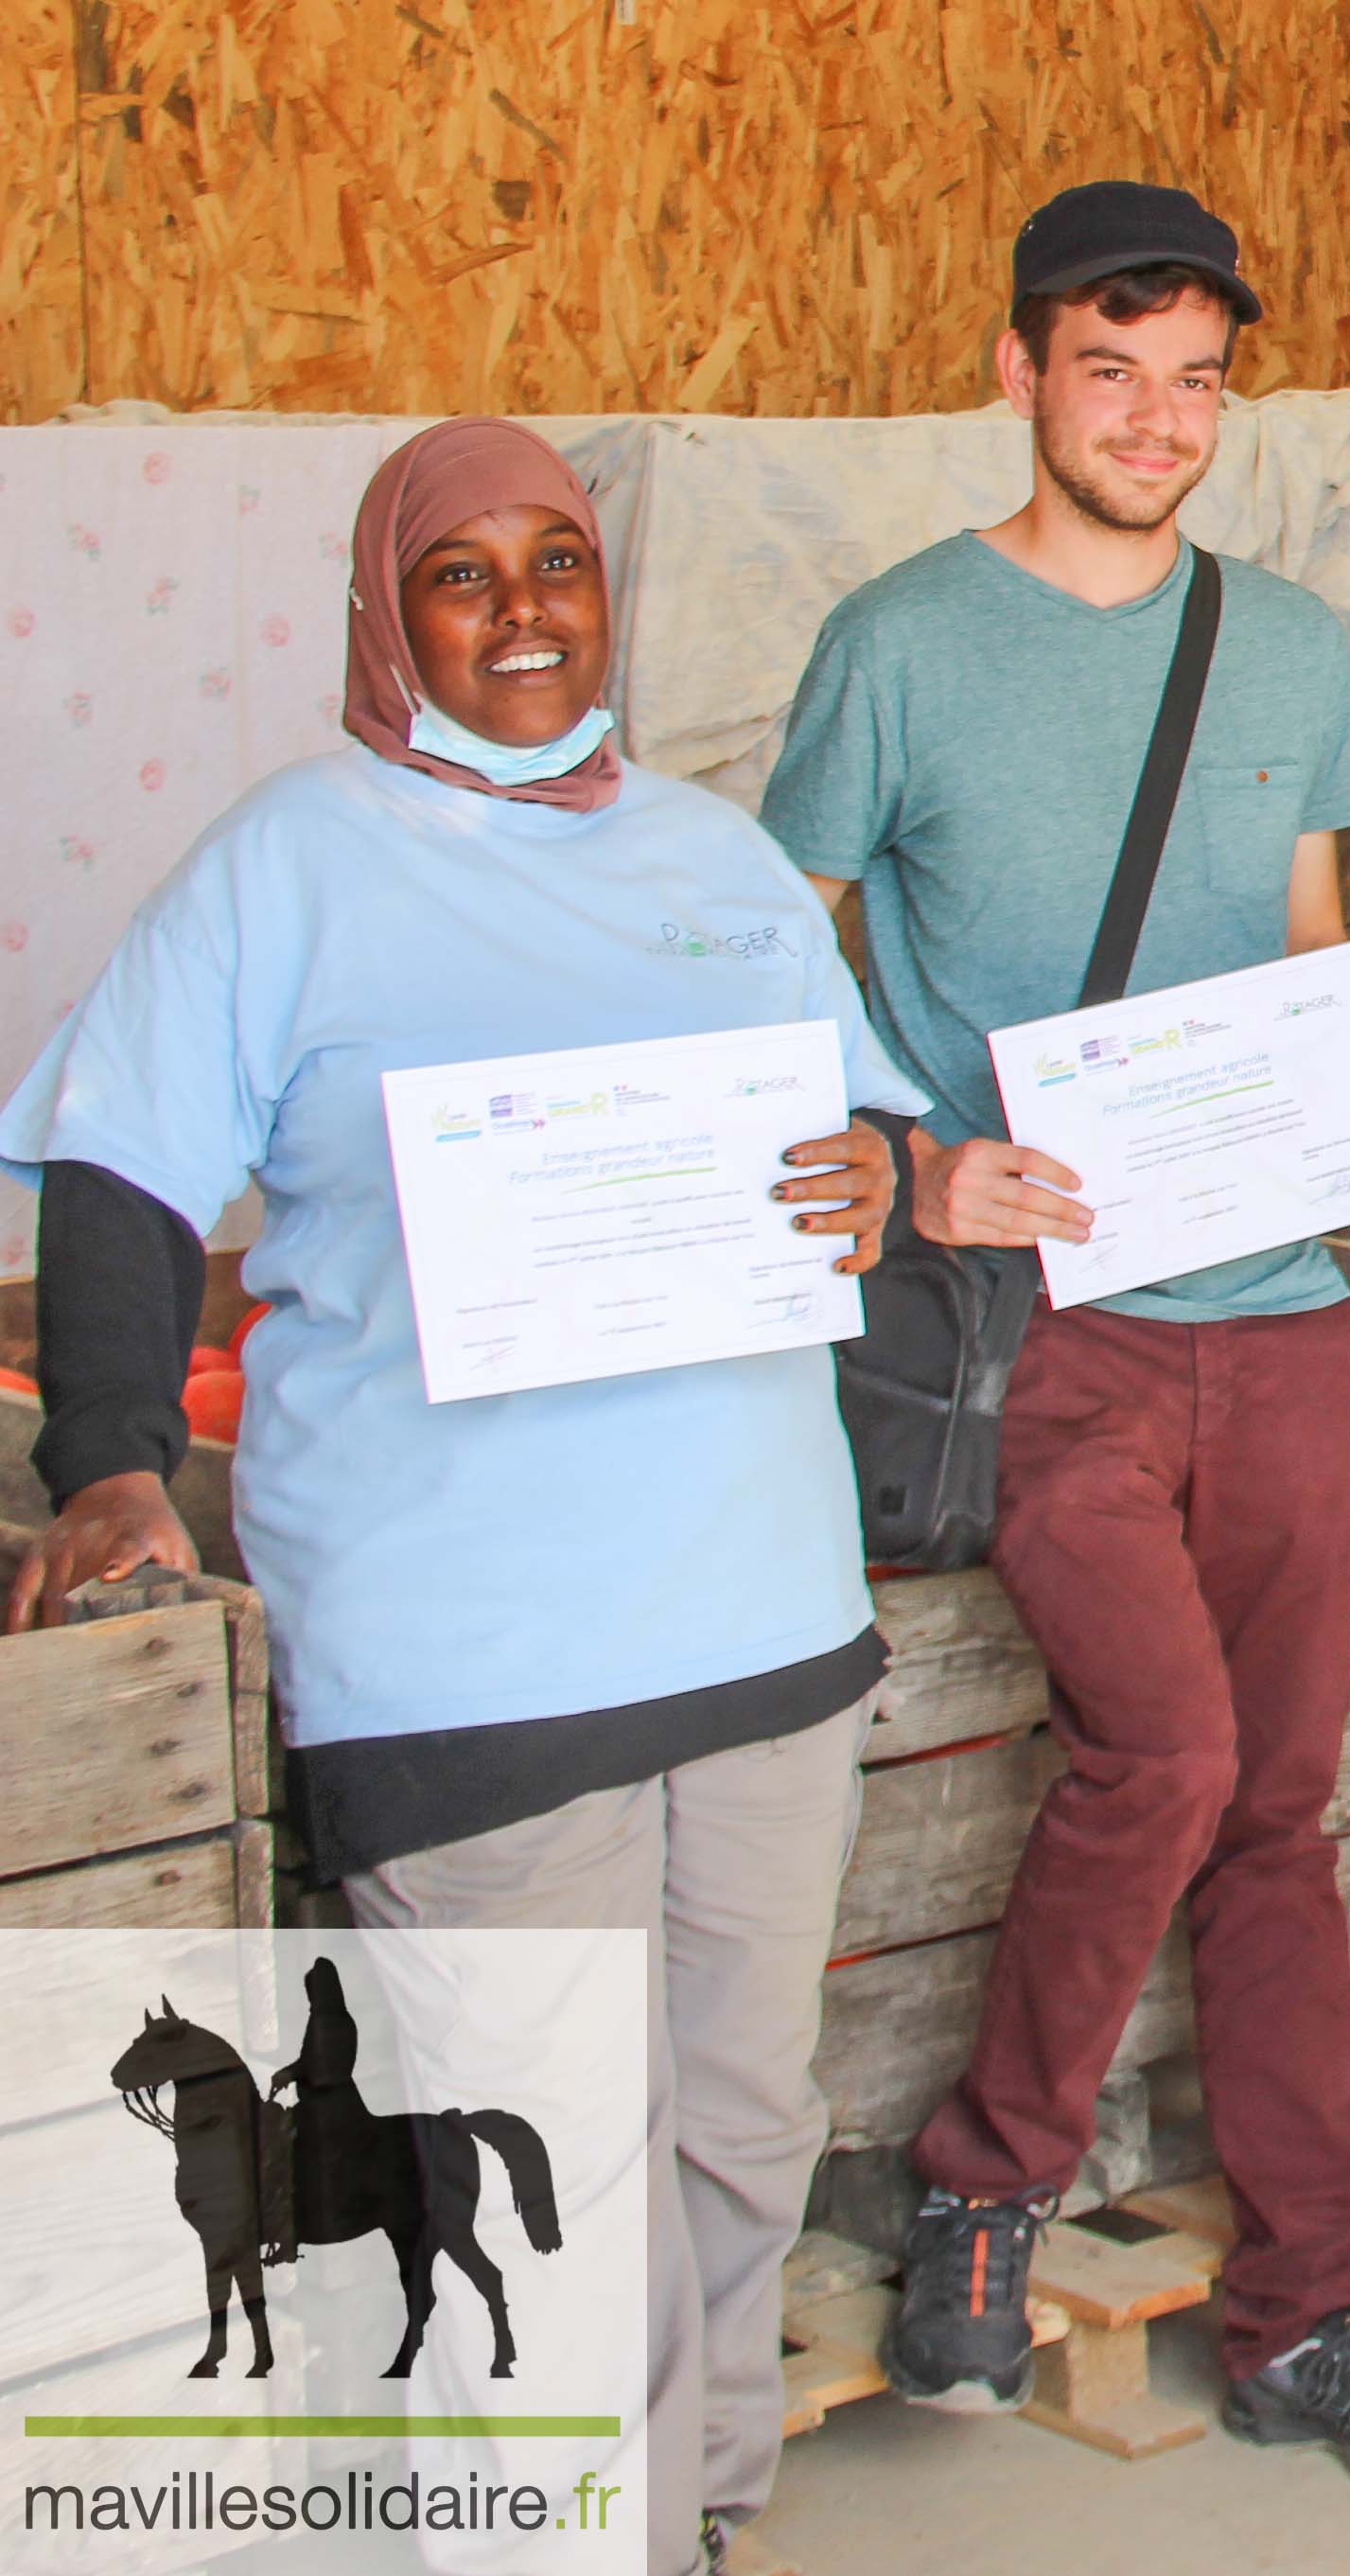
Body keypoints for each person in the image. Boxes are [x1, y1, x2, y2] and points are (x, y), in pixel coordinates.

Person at [3, 418, 915, 2576]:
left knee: (735, 2129)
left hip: (767, 1612)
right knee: (530, 2160)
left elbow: (858, 1142)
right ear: (387, 613)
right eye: (463, 574)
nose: (524, 612)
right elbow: (124, 1170)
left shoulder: (719, 865)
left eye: (561, 562)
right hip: (469, 1643)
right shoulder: (290, 862)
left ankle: (689, 2521)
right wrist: (114, 1459)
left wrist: (873, 1176)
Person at [766, 184, 1350, 2494]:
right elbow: (777, 974)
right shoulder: (893, 641)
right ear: (1018, 374)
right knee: (1167, 1749)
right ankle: (988, 2174)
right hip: (1042, 1315)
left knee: (1283, 1811)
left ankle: (1311, 2301)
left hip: (1274, 1309)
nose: (1157, 419)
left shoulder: (1280, 646)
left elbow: (1303, 950)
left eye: (1196, 380)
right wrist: (909, 1166)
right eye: (1112, 370)